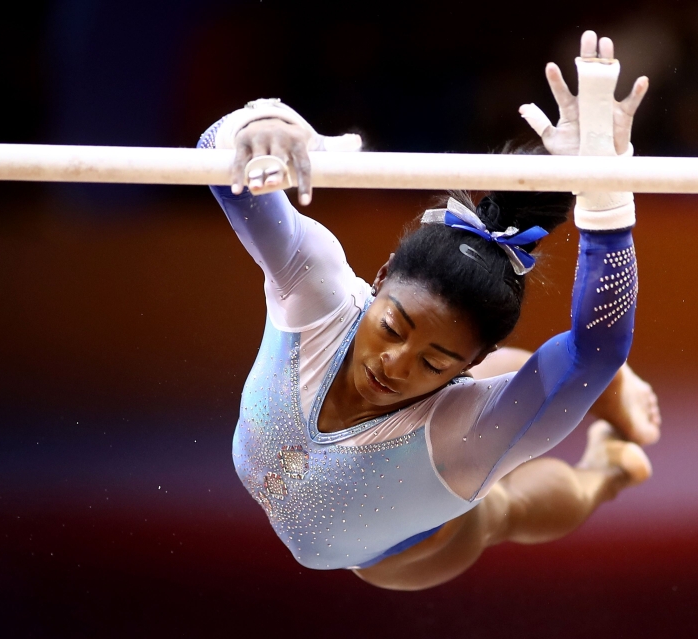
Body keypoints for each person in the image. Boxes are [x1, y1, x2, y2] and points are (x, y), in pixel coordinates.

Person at [199, 30, 658, 591]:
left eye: (435, 361)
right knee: (538, 386)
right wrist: (260, 128)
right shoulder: (317, 294)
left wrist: (606, 194)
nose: (395, 363)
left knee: (504, 509)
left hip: (409, 549)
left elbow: (595, 351)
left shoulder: (464, 435)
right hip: (460, 401)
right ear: (381, 276)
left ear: (469, 362)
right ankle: (607, 392)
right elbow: (218, 160)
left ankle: (610, 466)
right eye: (392, 325)